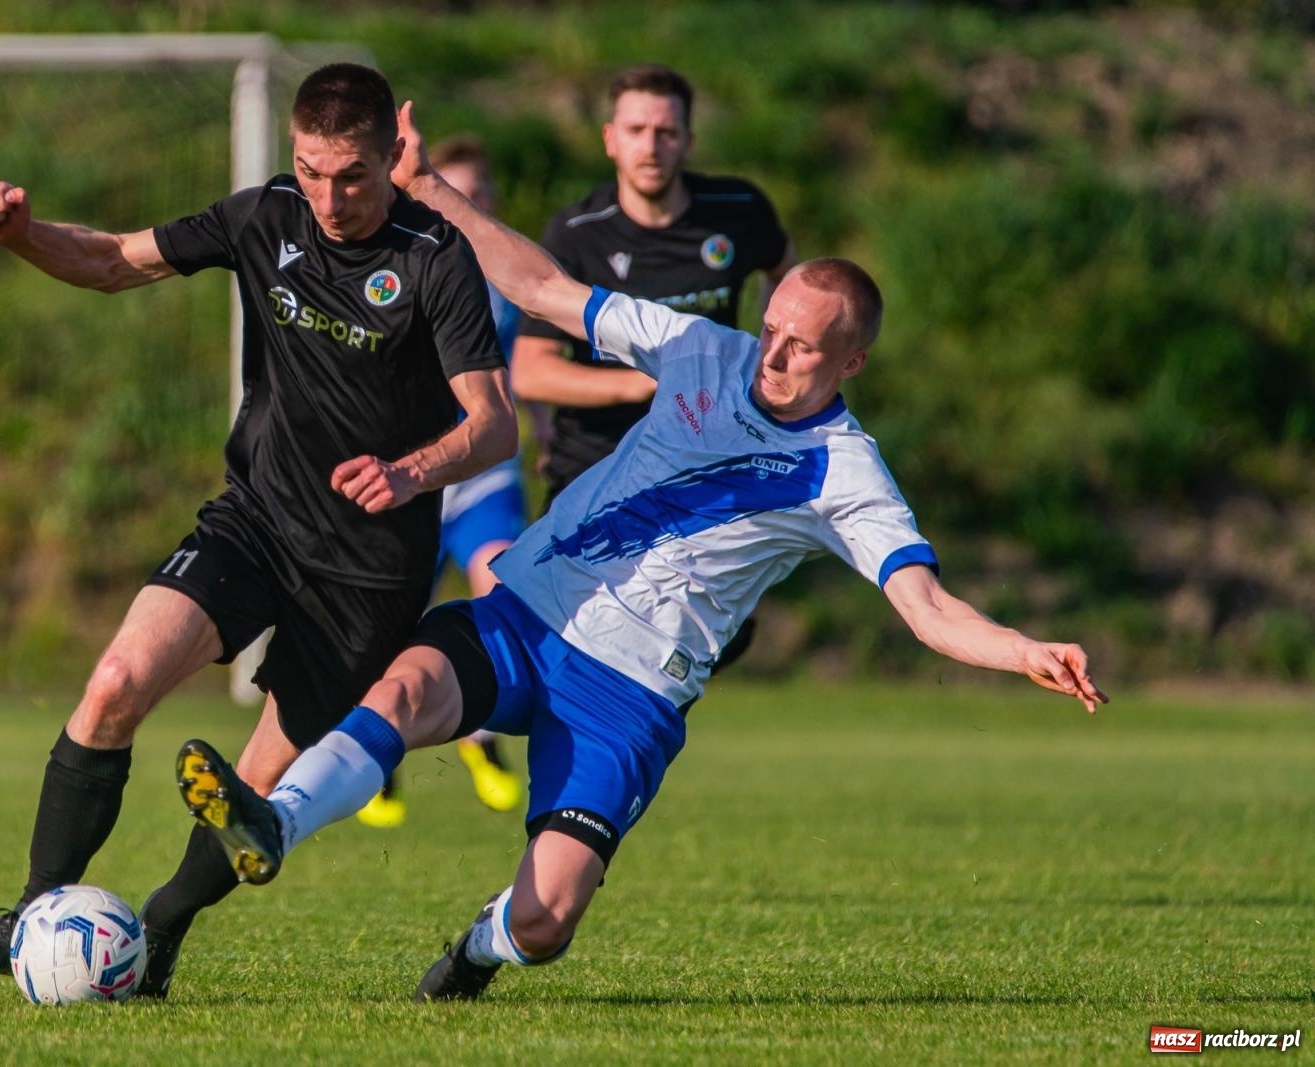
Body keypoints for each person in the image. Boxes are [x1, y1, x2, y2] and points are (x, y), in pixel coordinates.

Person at [169, 101, 1108, 1004]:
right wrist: (431, 190)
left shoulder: (846, 472)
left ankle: (479, 945)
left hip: (629, 689)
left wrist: (1023, 648)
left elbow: (927, 607)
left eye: (801, 348)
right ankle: (276, 820)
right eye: (770, 328)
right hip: (531, 610)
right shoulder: (701, 348)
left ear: (851, 362)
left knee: (545, 921)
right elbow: (544, 289)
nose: (772, 354)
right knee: (404, 690)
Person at [0, 65, 518, 998]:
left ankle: (159, 934)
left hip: (367, 574)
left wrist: (410, 471)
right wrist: (21, 236)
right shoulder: (265, 215)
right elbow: (112, 261)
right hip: (254, 522)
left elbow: (494, 423)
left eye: (353, 177)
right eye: (311, 171)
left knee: (253, 791)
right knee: (114, 683)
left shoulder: (435, 256)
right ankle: (32, 916)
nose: (329, 199)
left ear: (391, 158)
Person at [513, 63, 797, 666]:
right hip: (594, 467)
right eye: (637, 130)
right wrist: (645, 383)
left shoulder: (737, 210)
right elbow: (531, 371)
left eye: (666, 132)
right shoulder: (576, 234)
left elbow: (791, 277)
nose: (651, 146)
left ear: (688, 141)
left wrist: (773, 358)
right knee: (555, 639)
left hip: (697, 464)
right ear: (610, 139)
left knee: (692, 644)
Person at [357, 134, 524, 829]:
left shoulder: (513, 273)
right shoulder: (396, 265)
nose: (459, 204)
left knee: (502, 583)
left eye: (473, 193)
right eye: (444, 190)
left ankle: (481, 734)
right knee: (387, 621)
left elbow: (527, 364)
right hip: (410, 476)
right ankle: (374, 755)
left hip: (483, 473)